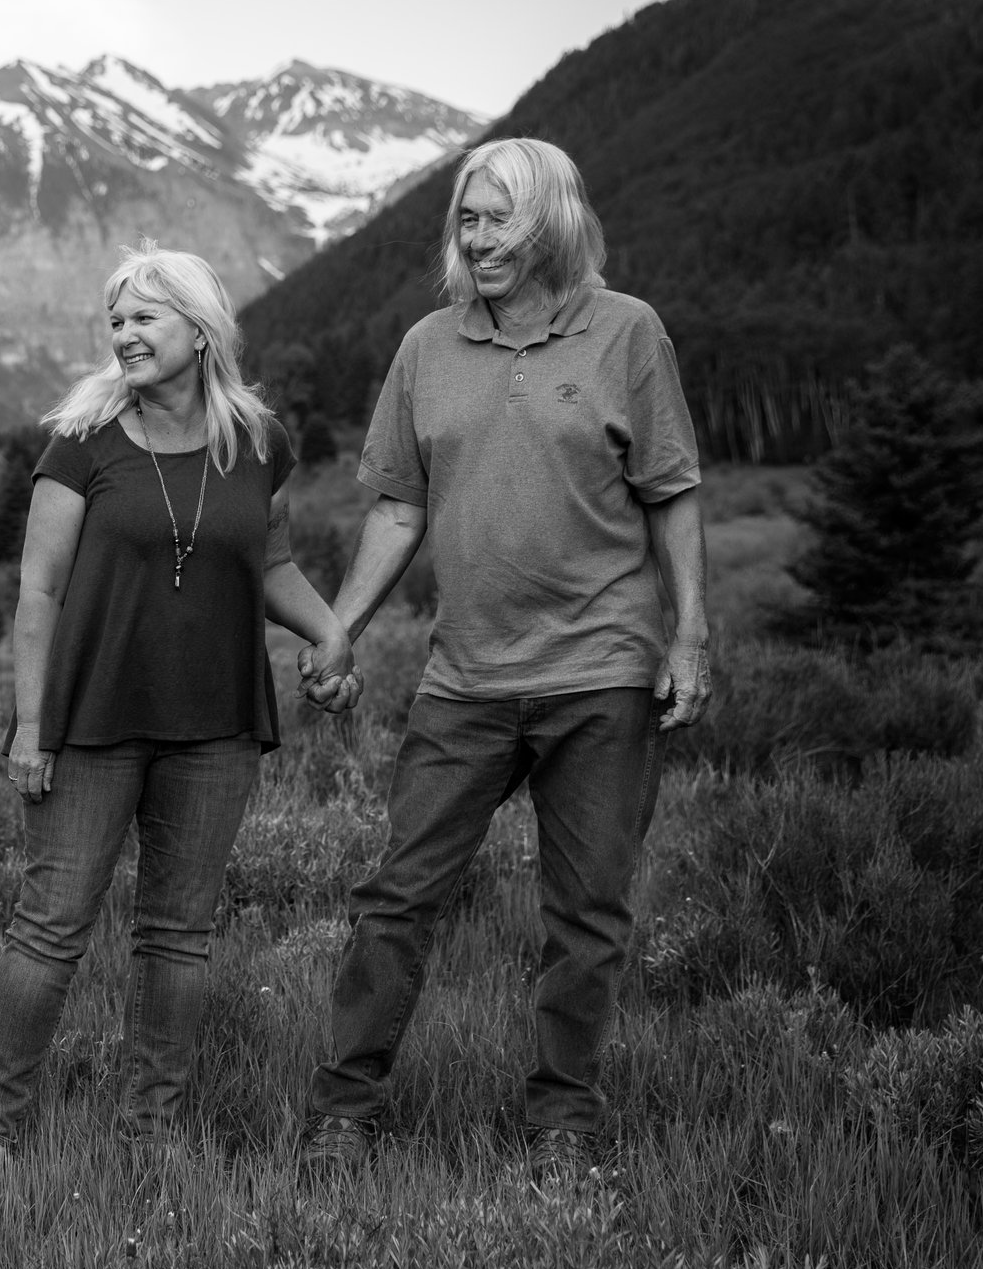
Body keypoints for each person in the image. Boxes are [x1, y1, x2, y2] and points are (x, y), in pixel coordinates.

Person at [299, 137, 711, 1182]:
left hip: (601, 669)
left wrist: (689, 632)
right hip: (464, 678)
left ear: (552, 224)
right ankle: (344, 1110)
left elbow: (669, 488)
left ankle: (561, 1126)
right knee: (397, 896)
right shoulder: (426, 347)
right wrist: (339, 624)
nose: (477, 237)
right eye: (466, 220)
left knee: (586, 909)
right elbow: (398, 508)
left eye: (498, 218)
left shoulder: (627, 332)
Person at [0, 242, 355, 1173]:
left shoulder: (259, 442)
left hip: (214, 724)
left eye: (145, 317)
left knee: (179, 936)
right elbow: (38, 591)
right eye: (118, 321)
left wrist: (329, 630)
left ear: (201, 329)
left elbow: (272, 563)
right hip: (89, 720)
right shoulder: (83, 441)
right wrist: (28, 721)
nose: (125, 334)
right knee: (52, 923)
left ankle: (150, 1137)